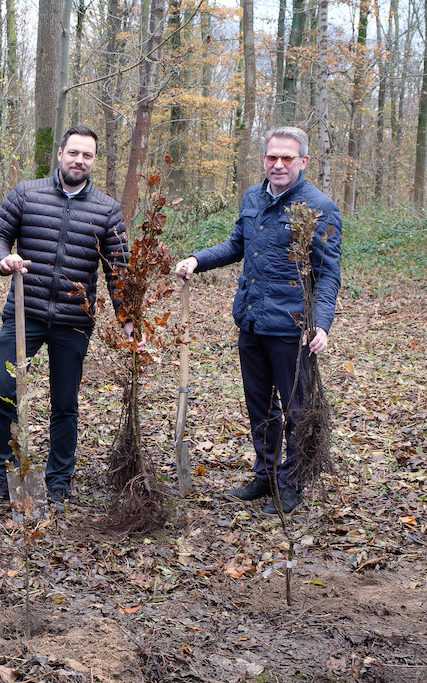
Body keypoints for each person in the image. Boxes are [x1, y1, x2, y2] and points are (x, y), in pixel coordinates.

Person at [175, 126, 342, 515]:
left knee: (297, 410)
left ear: (303, 161)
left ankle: (292, 481)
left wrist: (322, 324)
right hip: (251, 321)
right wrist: (197, 259)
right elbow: (237, 244)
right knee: (259, 407)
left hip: (292, 330)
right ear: (263, 159)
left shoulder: (320, 208)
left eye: (287, 158)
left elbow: (328, 273)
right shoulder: (253, 196)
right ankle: (265, 474)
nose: (278, 164)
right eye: (272, 157)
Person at [0, 125, 129, 510]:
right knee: (2, 391)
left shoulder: (107, 209)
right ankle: (4, 474)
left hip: (73, 322)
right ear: (60, 154)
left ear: (94, 161)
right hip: (23, 315)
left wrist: (130, 322)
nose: (80, 160)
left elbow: (119, 271)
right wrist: (3, 260)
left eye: (88, 155)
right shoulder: (26, 194)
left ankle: (58, 481)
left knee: (65, 403)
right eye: (74, 152)